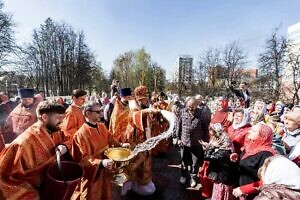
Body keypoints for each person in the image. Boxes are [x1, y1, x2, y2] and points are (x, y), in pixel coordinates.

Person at [0, 101, 69, 199]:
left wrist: (65, 146)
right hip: (33, 191)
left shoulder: (56, 130)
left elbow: (68, 139)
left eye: (63, 118)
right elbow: (5, 178)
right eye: (58, 118)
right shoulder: (22, 144)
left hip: (51, 187)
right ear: (44, 117)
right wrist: (32, 196)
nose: (62, 122)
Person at [71, 101, 129, 200]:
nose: (101, 114)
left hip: (106, 170)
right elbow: (82, 160)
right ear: (88, 113)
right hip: (93, 175)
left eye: (101, 111)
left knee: (106, 193)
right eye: (97, 112)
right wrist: (101, 163)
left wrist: (121, 145)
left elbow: (110, 139)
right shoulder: (80, 135)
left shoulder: (101, 126)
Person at [121, 86, 157, 196]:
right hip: (134, 140)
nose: (147, 100)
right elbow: (136, 117)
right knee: (133, 163)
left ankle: (140, 184)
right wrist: (147, 111)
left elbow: (149, 123)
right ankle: (129, 185)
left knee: (144, 162)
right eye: (145, 98)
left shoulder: (143, 106)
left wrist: (154, 115)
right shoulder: (133, 105)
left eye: (147, 97)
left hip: (145, 141)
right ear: (139, 99)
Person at [232, 123, 276, 200]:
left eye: (253, 131)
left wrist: (245, 189)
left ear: (262, 135)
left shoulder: (266, 154)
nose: (249, 131)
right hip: (240, 191)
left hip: (252, 195)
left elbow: (266, 181)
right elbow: (247, 162)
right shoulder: (251, 146)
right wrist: (237, 158)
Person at [176, 97, 208, 187]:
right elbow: (178, 126)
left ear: (197, 105)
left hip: (196, 143)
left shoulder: (202, 113)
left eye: (192, 106)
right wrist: (178, 138)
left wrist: (205, 142)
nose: (190, 108)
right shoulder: (182, 112)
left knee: (195, 163)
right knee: (183, 161)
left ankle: (193, 177)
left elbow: (205, 128)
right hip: (184, 142)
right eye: (189, 106)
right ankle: (183, 175)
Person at [202, 123, 238, 200]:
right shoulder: (226, 144)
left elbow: (207, 158)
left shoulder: (223, 152)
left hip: (222, 180)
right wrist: (209, 146)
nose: (212, 138)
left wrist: (211, 147)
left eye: (214, 136)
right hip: (224, 178)